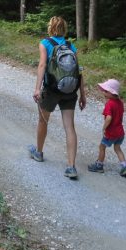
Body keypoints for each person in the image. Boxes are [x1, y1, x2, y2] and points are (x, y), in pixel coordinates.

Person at [28, 16, 86, 179]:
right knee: (70, 127)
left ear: (50, 28)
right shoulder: (70, 45)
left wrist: (37, 88)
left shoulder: (45, 43)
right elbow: (79, 70)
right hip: (70, 90)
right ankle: (71, 166)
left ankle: (38, 152)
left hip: (52, 89)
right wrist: (82, 94)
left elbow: (42, 65)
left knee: (43, 120)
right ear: (64, 29)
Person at [87, 78, 126, 178]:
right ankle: (124, 167)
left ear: (111, 93)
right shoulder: (120, 102)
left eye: (106, 91)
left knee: (102, 147)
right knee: (117, 148)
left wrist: (104, 128)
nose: (104, 92)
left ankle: (99, 165)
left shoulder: (109, 104)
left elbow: (109, 118)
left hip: (111, 132)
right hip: (120, 132)